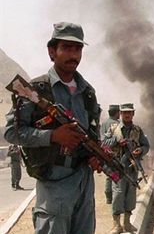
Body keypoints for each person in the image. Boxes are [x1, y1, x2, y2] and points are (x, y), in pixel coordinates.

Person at [4, 22, 101, 234]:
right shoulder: (36, 90)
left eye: (78, 49)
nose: (73, 54)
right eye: (66, 47)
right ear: (52, 51)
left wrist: (95, 156)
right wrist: (53, 136)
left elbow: (95, 135)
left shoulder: (88, 93)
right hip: (55, 182)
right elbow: (12, 132)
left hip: (84, 183)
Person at [103, 103, 150, 234]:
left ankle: (127, 223)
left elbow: (146, 146)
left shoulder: (138, 130)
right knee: (118, 194)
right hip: (117, 167)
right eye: (124, 112)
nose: (127, 114)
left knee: (130, 195)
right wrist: (117, 141)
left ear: (133, 114)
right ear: (120, 114)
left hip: (132, 168)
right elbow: (104, 143)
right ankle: (116, 224)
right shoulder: (114, 129)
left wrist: (140, 150)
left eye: (129, 112)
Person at [101, 104, 120, 204]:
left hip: (104, 152)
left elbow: (102, 139)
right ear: (117, 113)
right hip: (114, 153)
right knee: (116, 174)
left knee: (108, 174)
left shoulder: (104, 123)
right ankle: (115, 197)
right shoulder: (117, 124)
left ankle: (108, 197)